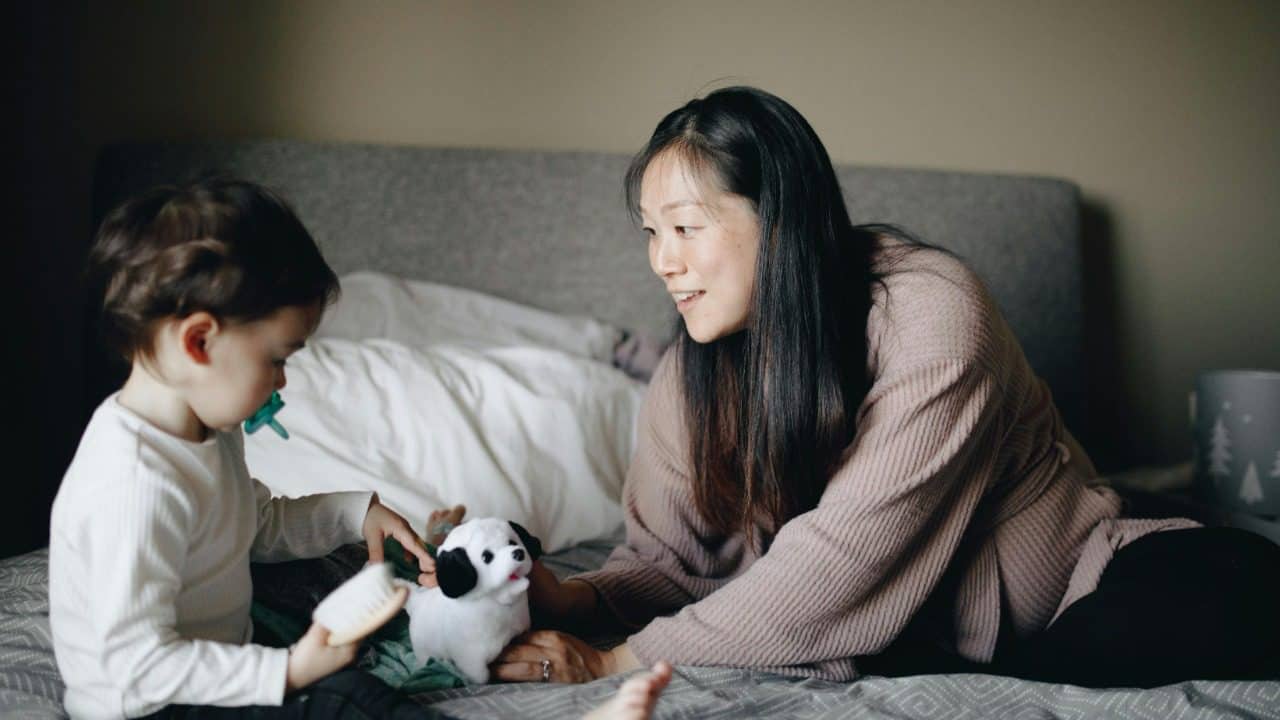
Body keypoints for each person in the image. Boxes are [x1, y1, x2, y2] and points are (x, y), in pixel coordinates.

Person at [493, 86, 1280, 689]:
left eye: (687, 227)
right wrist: (581, 603)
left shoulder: (931, 310)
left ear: (780, 221)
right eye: (650, 232)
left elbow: (840, 558)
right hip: (937, 650)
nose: (663, 261)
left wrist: (616, 664)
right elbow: (670, 565)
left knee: (1216, 609)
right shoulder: (689, 372)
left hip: (1094, 588)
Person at [51, 179, 673, 720]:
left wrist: (356, 512)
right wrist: (286, 672)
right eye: (276, 360)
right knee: (343, 701)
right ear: (198, 343)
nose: (283, 382)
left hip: (217, 668)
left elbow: (253, 523)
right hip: (153, 706)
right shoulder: (132, 483)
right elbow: (130, 667)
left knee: (345, 591)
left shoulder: (207, 432)